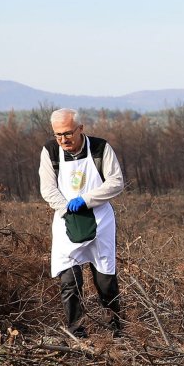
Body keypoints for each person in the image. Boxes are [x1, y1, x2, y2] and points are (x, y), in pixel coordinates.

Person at [39, 108, 126, 338]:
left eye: (68, 133)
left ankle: (115, 331)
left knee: (105, 279)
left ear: (80, 128)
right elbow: (47, 188)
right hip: (67, 220)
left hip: (100, 220)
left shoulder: (100, 148)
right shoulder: (50, 152)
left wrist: (86, 200)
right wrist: (66, 207)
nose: (63, 139)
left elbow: (116, 182)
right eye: (58, 134)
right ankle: (77, 332)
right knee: (70, 280)